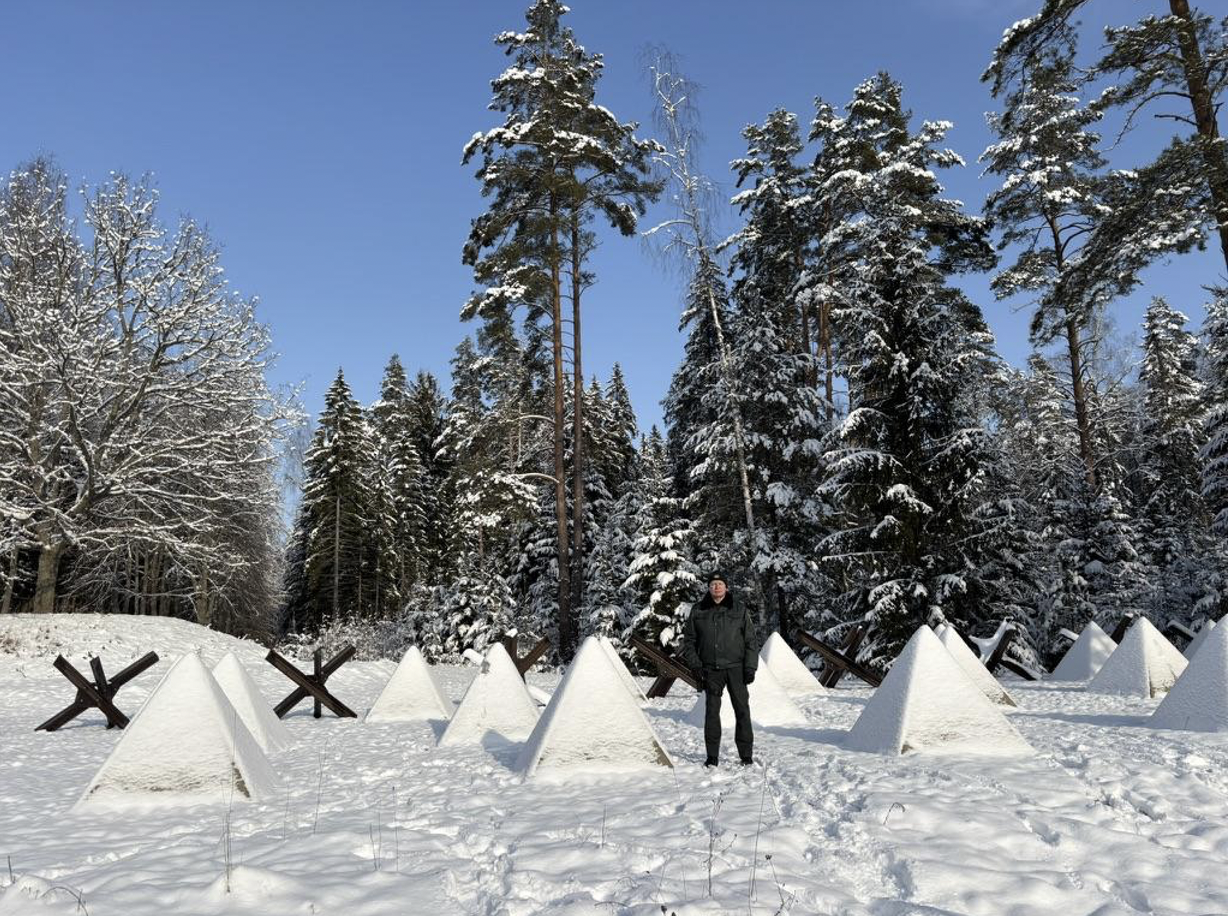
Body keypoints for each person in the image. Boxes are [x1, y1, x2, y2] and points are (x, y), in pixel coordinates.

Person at [681, 571, 759, 767]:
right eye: (713, 584)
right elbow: (689, 641)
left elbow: (750, 640)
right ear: (709, 587)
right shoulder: (698, 611)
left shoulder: (738, 609)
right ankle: (712, 756)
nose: (717, 587)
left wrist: (750, 667)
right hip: (711, 670)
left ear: (726, 587)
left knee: (742, 710)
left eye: (720, 584)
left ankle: (746, 755)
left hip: (736, 669)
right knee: (711, 713)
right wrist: (696, 666)